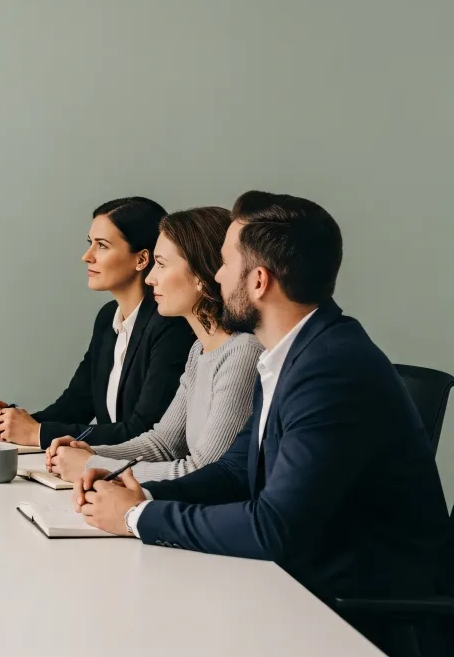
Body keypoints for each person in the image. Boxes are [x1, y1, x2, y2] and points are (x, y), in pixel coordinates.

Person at [75, 192, 448, 657]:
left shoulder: (331, 367)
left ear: (258, 281)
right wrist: (139, 493)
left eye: (225, 263)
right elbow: (234, 470)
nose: (215, 274)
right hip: (306, 580)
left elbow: (273, 527)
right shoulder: (289, 354)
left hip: (361, 610)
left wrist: (135, 518)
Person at [47, 206, 261, 483]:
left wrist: (93, 465)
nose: (150, 278)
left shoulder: (243, 353)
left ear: (200, 273)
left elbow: (202, 472)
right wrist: (88, 451)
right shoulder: (200, 351)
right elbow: (163, 444)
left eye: (160, 264)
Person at [0, 197, 194, 449]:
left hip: (142, 476)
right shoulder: (108, 318)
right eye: (90, 243)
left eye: (102, 246)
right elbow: (75, 405)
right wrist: (15, 421)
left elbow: (144, 430)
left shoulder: (171, 325)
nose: (87, 256)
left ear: (141, 259)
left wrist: (37, 433)